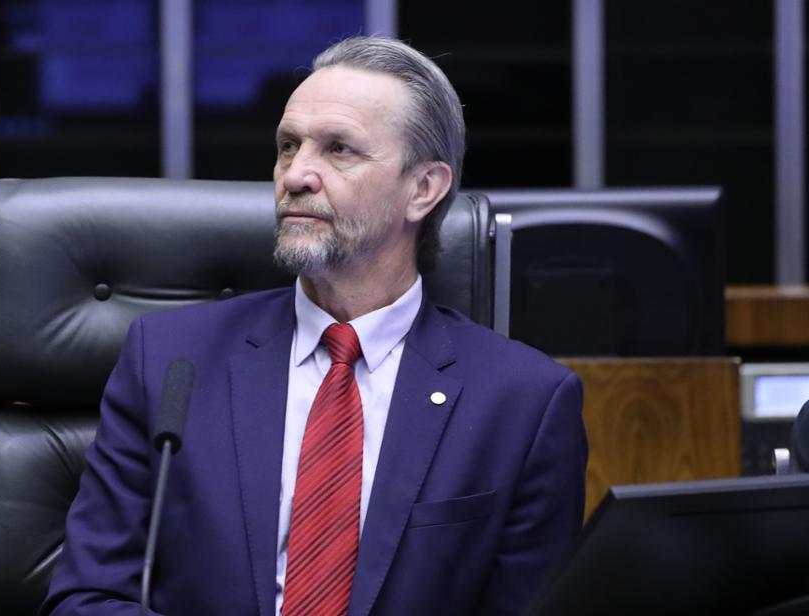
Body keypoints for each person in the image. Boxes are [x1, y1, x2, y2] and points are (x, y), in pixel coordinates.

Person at [42, 36, 587, 616]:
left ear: (423, 189)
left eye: (339, 150)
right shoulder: (170, 361)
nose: (295, 174)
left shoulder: (525, 403)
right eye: (287, 146)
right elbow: (87, 599)